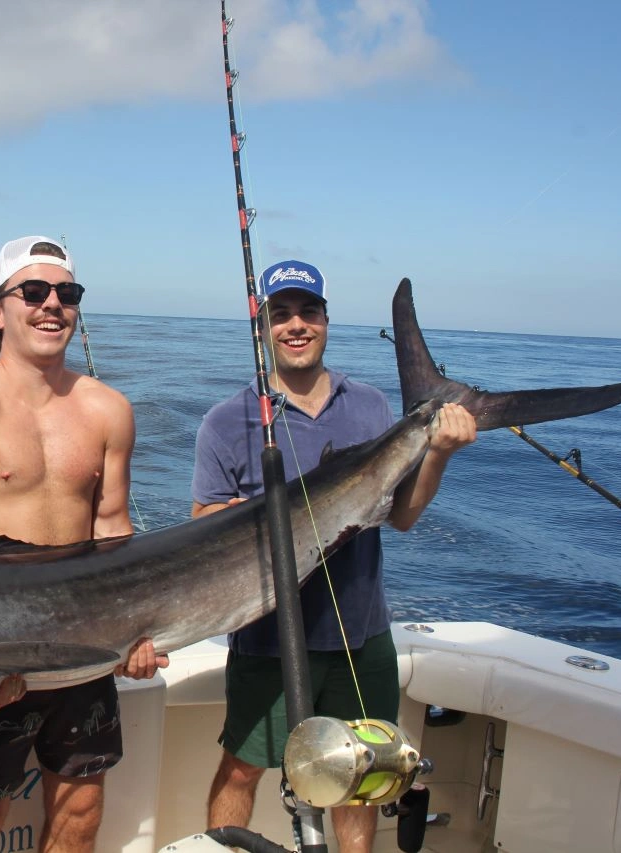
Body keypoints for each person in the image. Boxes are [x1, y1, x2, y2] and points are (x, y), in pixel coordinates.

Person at [193, 260, 477, 853]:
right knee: (242, 769)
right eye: (281, 314)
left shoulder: (373, 407)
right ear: (263, 326)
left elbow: (399, 516)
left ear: (326, 320)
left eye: (308, 312)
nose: (296, 325)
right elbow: (203, 530)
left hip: (361, 635)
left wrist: (440, 453)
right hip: (267, 638)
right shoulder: (225, 422)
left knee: (360, 781)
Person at [0, 235, 168, 853]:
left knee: (82, 809)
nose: (52, 304)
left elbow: (113, 532)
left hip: (87, 645)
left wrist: (138, 632)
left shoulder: (109, 410)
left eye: (67, 293)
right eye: (33, 291)